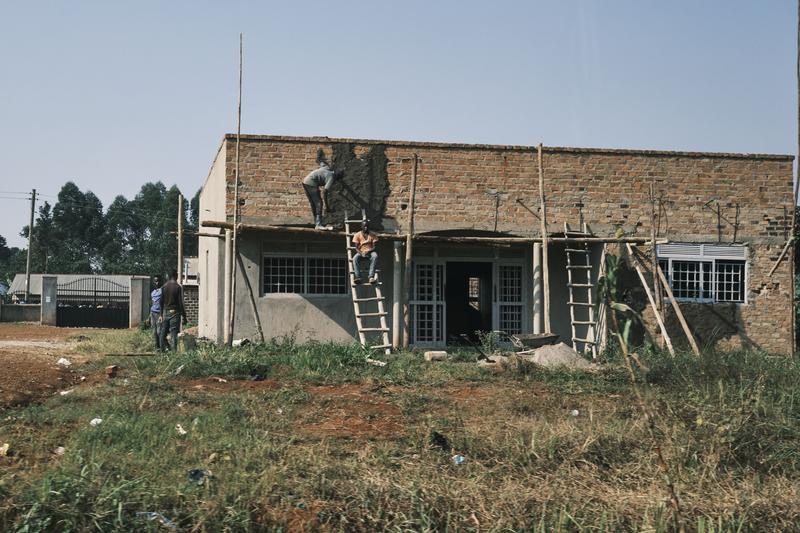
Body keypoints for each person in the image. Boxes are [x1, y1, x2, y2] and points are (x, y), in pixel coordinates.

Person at [302, 161, 343, 229]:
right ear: (337, 177)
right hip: (311, 183)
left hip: (305, 181)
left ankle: (316, 222)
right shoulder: (332, 177)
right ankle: (318, 224)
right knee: (319, 203)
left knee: (313, 203)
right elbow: (325, 191)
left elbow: (322, 163)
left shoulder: (327, 168)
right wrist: (327, 206)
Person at [159, 270, 187, 352]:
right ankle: (174, 353)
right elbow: (180, 303)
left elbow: (161, 301)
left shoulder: (164, 287)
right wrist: (184, 316)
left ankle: (162, 352)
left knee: (162, 333)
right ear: (176, 276)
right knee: (174, 334)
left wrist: (161, 314)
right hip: (175, 312)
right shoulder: (178, 287)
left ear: (169, 276)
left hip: (165, 312)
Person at [150, 276, 162, 350]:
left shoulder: (162, 291)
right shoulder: (153, 292)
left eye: (157, 281)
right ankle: (156, 347)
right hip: (153, 313)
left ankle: (162, 347)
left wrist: (161, 314)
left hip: (159, 313)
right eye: (155, 281)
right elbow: (152, 303)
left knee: (159, 331)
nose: (156, 283)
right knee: (154, 332)